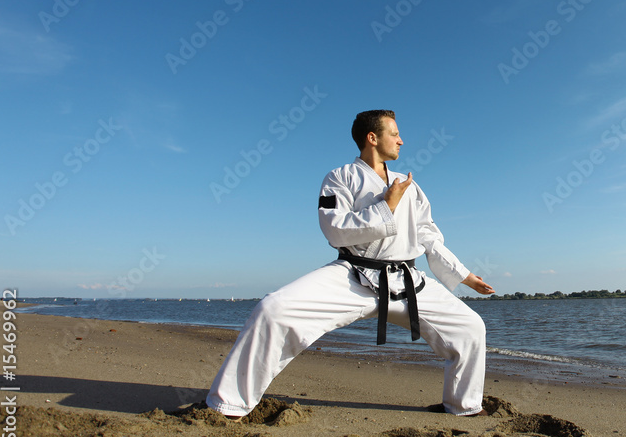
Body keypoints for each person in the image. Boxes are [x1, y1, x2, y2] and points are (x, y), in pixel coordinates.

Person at [206, 109, 494, 418]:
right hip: (353, 276)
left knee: (470, 327)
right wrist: (387, 206)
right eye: (395, 134)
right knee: (273, 310)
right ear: (373, 138)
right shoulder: (339, 178)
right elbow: (335, 229)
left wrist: (464, 275)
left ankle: (463, 405)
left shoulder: (408, 184)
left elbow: (428, 236)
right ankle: (229, 405)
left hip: (406, 280)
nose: (401, 140)